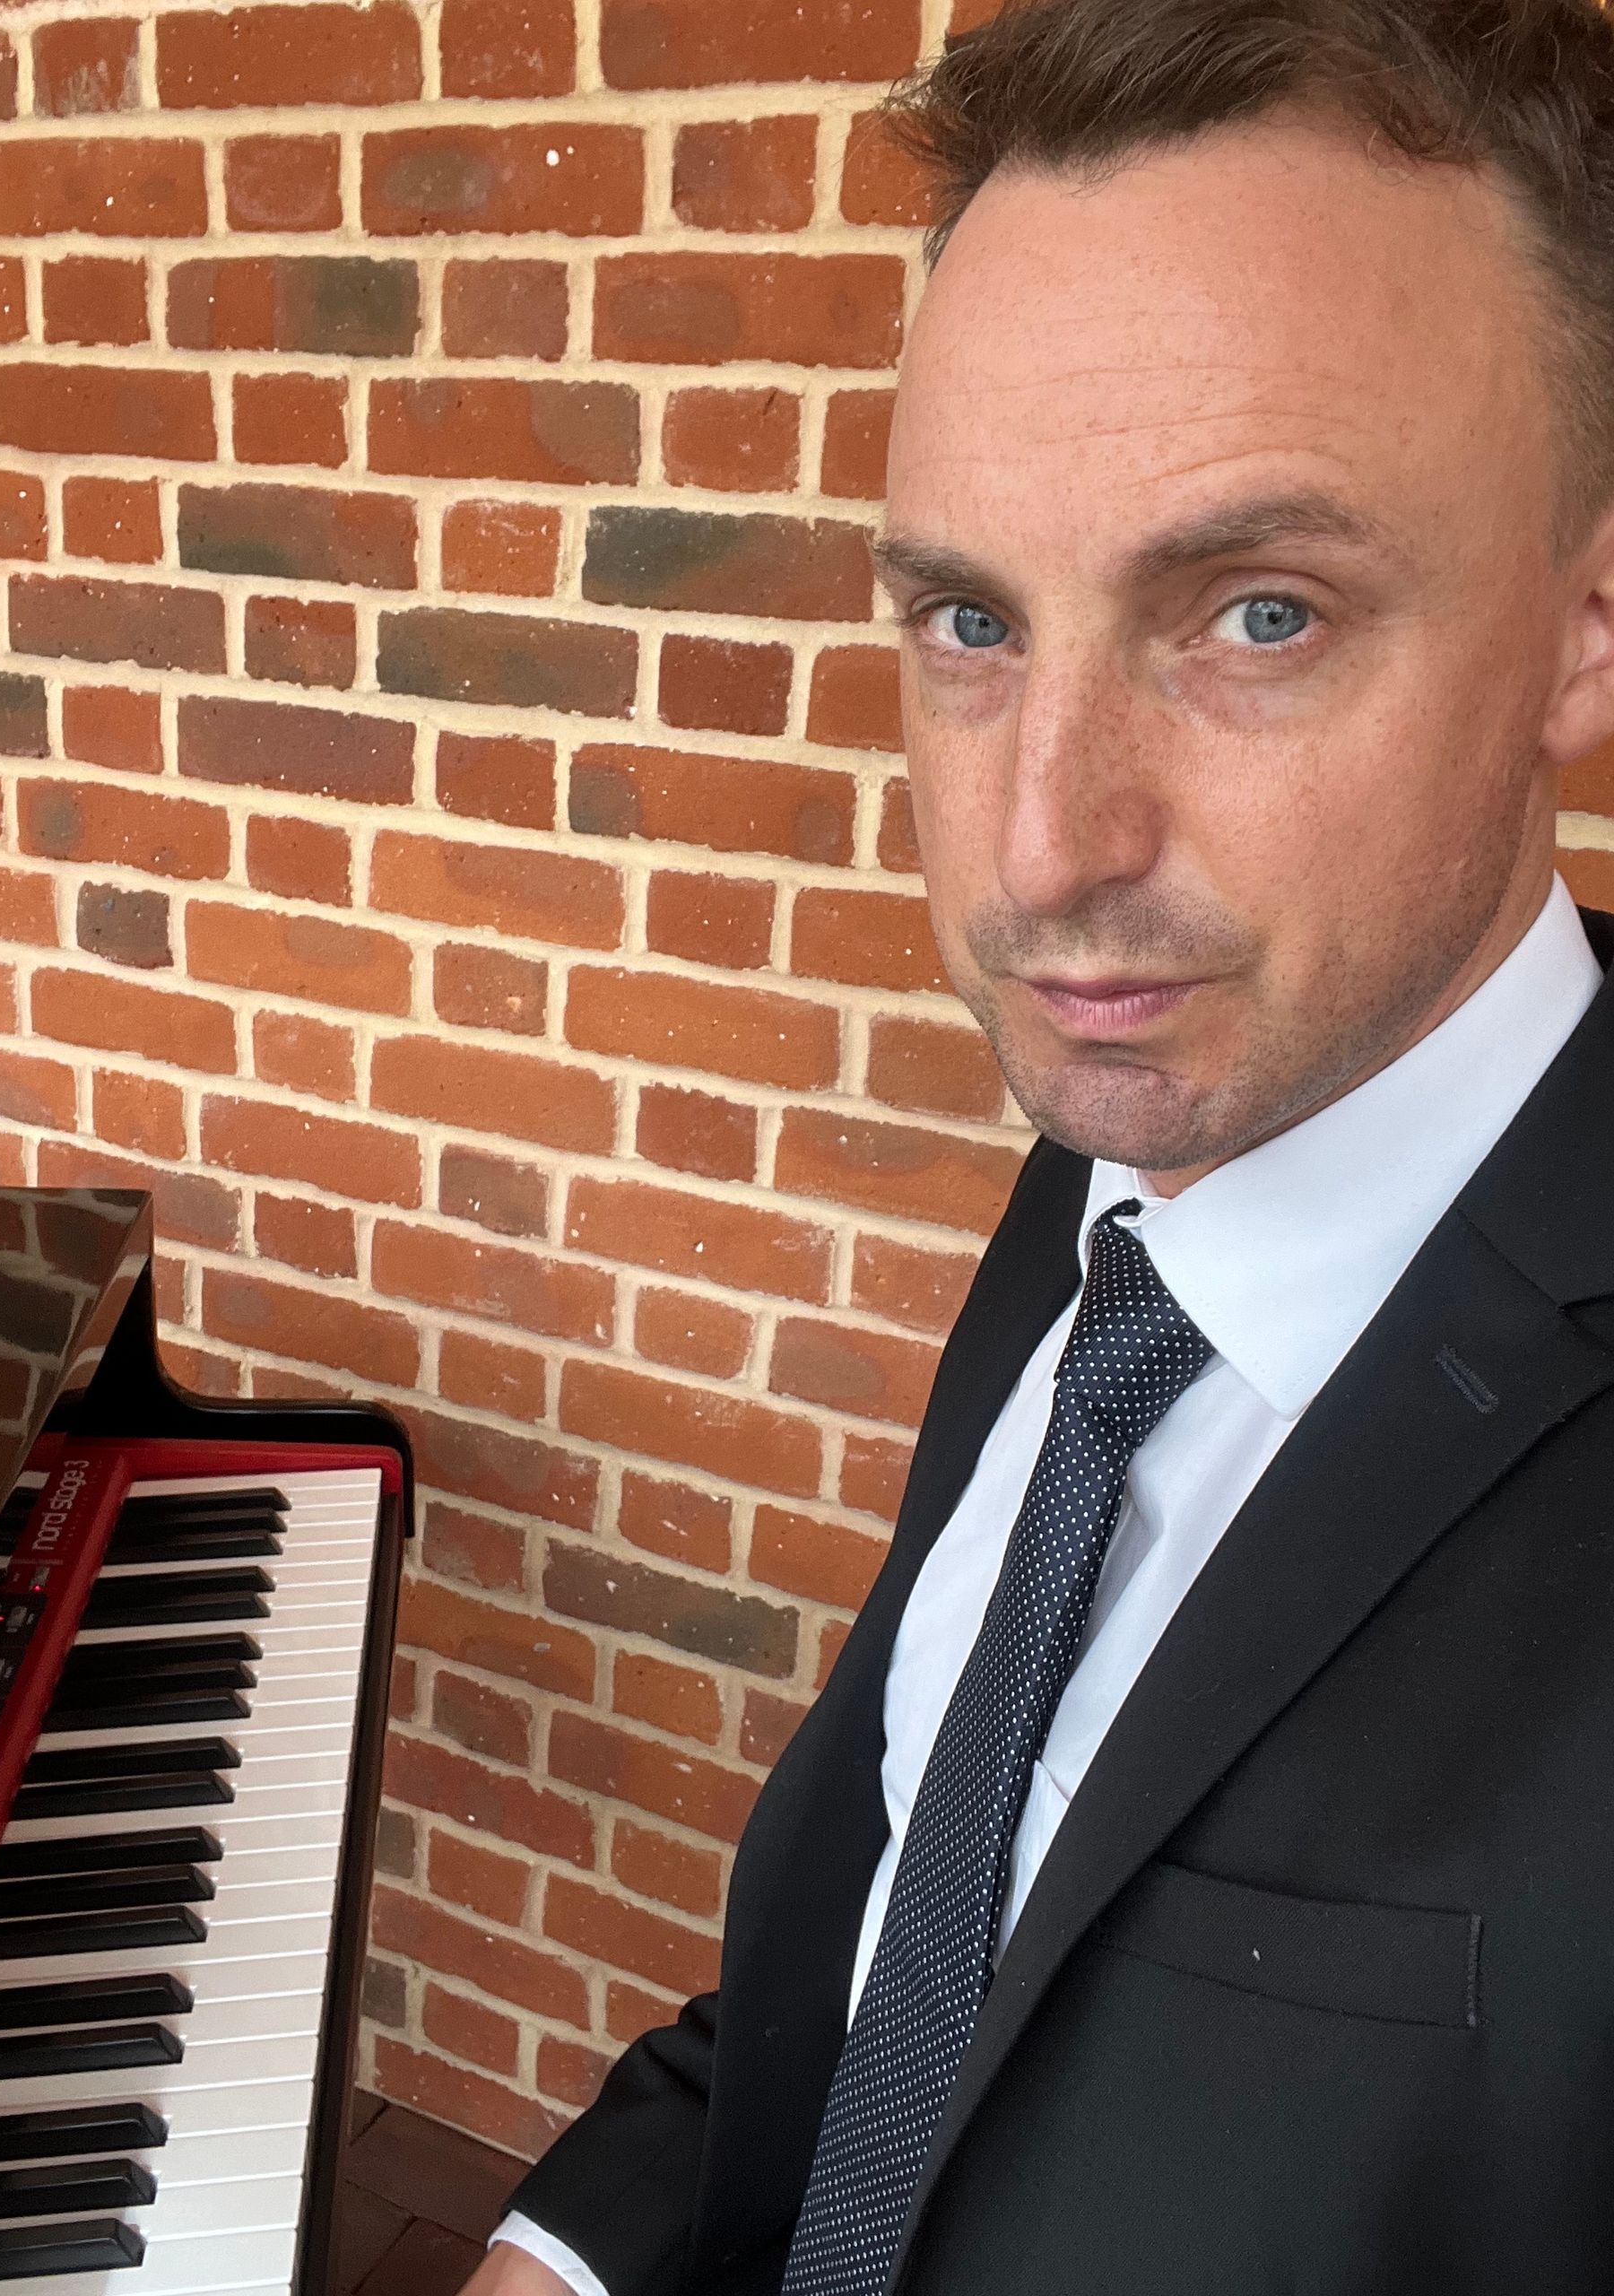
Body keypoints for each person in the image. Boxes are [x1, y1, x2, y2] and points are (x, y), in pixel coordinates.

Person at [462, 0, 1614, 2286]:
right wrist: (563, 2254)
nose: (1038, 846)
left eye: (1257, 613)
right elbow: (915, 1930)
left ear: (1587, 628)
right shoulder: (1133, 1173)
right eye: (970, 619)